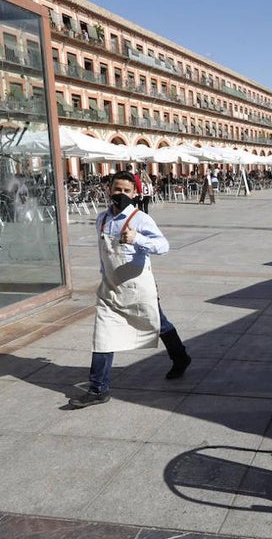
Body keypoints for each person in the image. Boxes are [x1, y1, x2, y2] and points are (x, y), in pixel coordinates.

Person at [70, 171, 191, 408]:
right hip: (111, 290)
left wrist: (137, 239)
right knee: (103, 336)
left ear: (135, 193)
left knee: (159, 324)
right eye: (117, 189)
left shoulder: (140, 219)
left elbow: (163, 246)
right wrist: (105, 276)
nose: (121, 194)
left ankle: (181, 357)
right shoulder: (102, 219)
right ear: (108, 189)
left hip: (137, 288)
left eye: (127, 190)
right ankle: (98, 389)